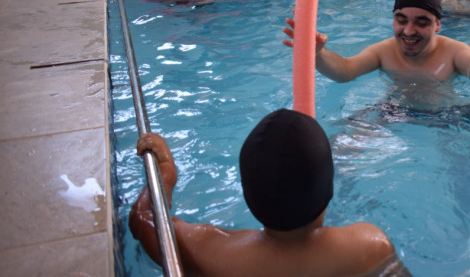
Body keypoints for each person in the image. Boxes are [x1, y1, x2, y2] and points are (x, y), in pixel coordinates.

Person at [130, 109, 409, 277]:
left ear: (246, 193)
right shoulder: (367, 247)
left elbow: (143, 218)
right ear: (328, 189)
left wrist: (166, 171)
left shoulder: (211, 251)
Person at [283, 0, 470, 85]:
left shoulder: (454, 52)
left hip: (450, 115)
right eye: (401, 20)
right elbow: (346, 71)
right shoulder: (385, 51)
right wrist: (317, 54)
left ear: (438, 24)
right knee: (343, 147)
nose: (409, 31)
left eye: (422, 22)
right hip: (395, 112)